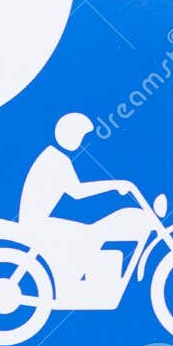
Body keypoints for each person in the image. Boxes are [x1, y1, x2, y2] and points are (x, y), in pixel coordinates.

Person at [15, 112, 148, 292]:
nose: (81, 140)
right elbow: (77, 192)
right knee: (89, 234)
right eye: (80, 135)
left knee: (88, 233)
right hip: (37, 223)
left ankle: (79, 283)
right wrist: (115, 185)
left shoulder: (53, 156)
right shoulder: (57, 159)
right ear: (69, 135)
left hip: (37, 220)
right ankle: (75, 286)